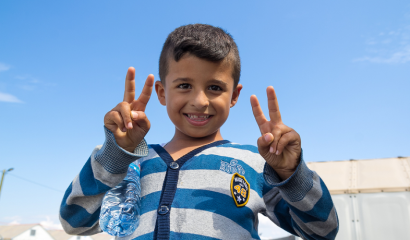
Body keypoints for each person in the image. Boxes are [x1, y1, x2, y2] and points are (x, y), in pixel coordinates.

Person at [59, 24, 338, 240]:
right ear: (161, 92)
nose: (200, 101)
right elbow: (74, 222)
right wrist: (115, 153)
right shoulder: (133, 162)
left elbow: (321, 231)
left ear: (234, 96)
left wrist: (291, 175)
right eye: (184, 85)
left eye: (215, 87)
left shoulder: (256, 163)